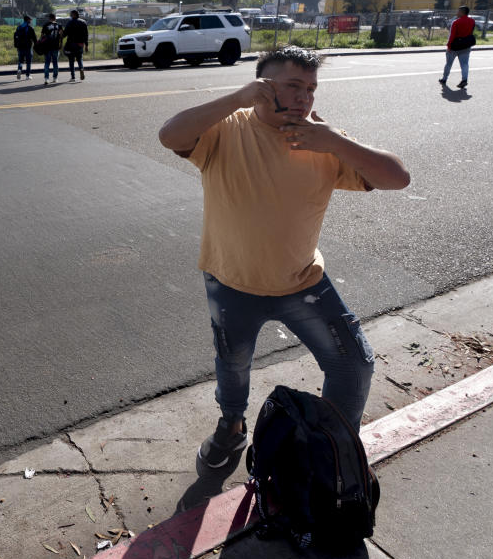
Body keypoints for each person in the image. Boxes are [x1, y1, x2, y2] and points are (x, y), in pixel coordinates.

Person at [157, 46, 410, 469]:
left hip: (303, 283)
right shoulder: (227, 129)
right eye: (293, 86)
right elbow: (170, 134)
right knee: (233, 364)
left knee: (354, 365)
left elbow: (397, 178)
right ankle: (232, 426)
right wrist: (236, 98)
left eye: (310, 88)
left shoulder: (323, 140)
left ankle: (329, 450)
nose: (304, 97)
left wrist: (334, 140)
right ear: (262, 87)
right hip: (231, 281)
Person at [440, 5, 475, 89]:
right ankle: (464, 80)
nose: (457, 13)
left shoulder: (456, 22)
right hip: (466, 46)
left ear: (462, 12)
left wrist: (449, 46)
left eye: (458, 11)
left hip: (454, 47)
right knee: (465, 64)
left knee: (448, 64)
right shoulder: (472, 21)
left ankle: (444, 79)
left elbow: (452, 35)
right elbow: (471, 32)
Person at [63, 9, 88, 82]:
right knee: (79, 59)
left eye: (71, 14)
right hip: (80, 44)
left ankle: (73, 77)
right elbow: (86, 35)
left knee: (71, 60)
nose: (70, 15)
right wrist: (86, 45)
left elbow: (65, 33)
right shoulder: (83, 22)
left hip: (71, 44)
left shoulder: (70, 23)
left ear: (74, 14)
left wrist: (60, 36)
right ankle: (81, 69)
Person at [39, 13, 63, 85]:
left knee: (47, 63)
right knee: (55, 63)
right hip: (56, 46)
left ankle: (46, 78)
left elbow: (42, 36)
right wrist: (61, 44)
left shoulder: (46, 25)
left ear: (49, 18)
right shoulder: (59, 25)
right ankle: (55, 78)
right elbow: (61, 35)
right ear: (55, 18)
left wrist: (41, 44)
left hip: (47, 47)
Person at [13, 15, 37, 81]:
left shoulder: (19, 27)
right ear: (28, 20)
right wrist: (36, 45)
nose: (31, 21)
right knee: (28, 62)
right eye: (30, 20)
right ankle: (27, 76)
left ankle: (19, 69)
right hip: (28, 47)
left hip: (20, 47)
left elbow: (15, 36)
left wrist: (16, 45)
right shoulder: (30, 28)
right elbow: (34, 38)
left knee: (20, 60)